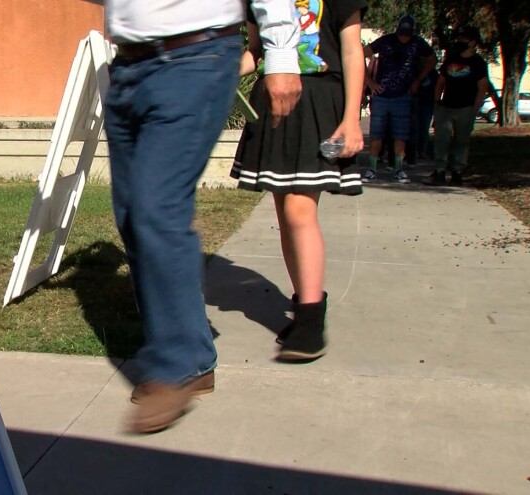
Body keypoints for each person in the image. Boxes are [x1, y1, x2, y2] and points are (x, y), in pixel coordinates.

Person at [103, 0, 303, 434]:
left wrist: (282, 54)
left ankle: (175, 366)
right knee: (132, 214)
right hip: (127, 67)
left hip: (196, 56)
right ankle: (191, 355)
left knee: (158, 208)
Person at [231, 0, 366, 361]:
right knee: (285, 214)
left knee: (298, 211)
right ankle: (304, 303)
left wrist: (352, 119)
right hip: (274, 104)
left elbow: (352, 51)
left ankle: (310, 319)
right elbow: (256, 52)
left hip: (320, 101)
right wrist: (221, 70)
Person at [362, 14, 437, 184]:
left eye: (407, 33)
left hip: (403, 95)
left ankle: (399, 169)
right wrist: (370, 82)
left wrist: (418, 79)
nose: (403, 37)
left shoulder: (417, 43)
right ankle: (372, 169)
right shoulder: (386, 41)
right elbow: (360, 54)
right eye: (401, 32)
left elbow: (432, 59)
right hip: (381, 94)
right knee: (376, 134)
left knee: (400, 134)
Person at [425, 26, 488, 186]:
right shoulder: (451, 59)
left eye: (464, 39)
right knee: (441, 139)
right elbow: (441, 81)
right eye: (458, 38)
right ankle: (439, 171)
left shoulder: (478, 62)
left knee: (462, 141)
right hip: (446, 107)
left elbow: (482, 87)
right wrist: (437, 102)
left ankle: (457, 172)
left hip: (465, 107)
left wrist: (475, 108)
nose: (460, 41)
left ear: (473, 42)